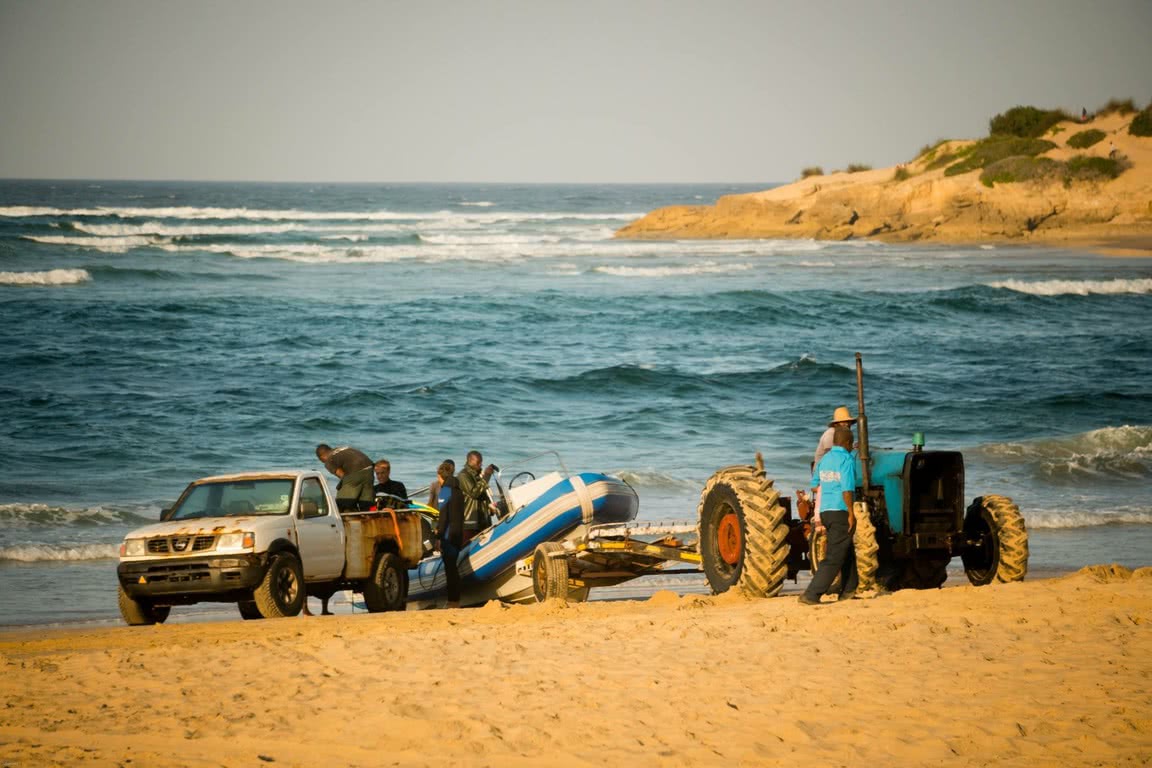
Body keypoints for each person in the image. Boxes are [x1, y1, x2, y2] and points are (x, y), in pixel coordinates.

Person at [800, 427, 859, 605]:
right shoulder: (846, 459)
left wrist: (829, 484)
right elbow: (847, 489)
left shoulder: (824, 460)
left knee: (846, 549)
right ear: (847, 443)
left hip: (825, 510)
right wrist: (851, 512)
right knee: (834, 556)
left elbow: (814, 485)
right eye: (851, 444)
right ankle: (811, 594)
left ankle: (849, 590)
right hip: (840, 510)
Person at [434, 461, 464, 608]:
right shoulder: (458, 489)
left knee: (450, 569)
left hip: (448, 535)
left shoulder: (445, 491)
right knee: (453, 568)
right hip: (458, 533)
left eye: (438, 478)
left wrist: (439, 536)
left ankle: (453, 601)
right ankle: (455, 600)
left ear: (441, 476)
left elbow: (443, 516)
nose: (438, 481)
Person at [315, 443, 374, 511]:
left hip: (356, 471)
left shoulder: (329, 460)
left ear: (321, 457)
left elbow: (342, 476)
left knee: (342, 503)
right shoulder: (342, 449)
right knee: (366, 501)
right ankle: (371, 514)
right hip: (370, 468)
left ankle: (350, 517)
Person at [457, 450, 497, 543]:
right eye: (478, 462)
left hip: (482, 520)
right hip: (470, 521)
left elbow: (482, 497)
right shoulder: (463, 475)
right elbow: (474, 493)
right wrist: (486, 476)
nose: (480, 465)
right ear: (470, 461)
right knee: (468, 547)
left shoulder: (477, 475)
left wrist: (489, 508)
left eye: (481, 462)